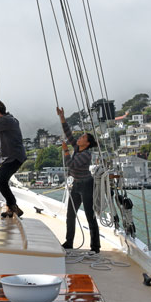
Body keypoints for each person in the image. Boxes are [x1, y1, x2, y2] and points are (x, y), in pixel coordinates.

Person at [57, 107, 100, 253]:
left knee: (89, 215)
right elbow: (68, 134)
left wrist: (66, 150)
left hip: (87, 185)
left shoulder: (86, 154)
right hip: (76, 184)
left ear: (87, 143)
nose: (79, 138)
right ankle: (69, 242)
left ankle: (95, 247)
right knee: (70, 214)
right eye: (80, 137)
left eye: (82, 138)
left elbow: (71, 164)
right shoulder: (78, 148)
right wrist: (62, 117)